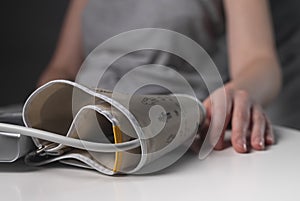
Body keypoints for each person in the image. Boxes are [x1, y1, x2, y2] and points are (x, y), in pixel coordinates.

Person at [37, 0, 282, 154]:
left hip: (171, 132)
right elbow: (63, 68)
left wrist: (238, 92)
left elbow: (259, 62)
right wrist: (42, 113)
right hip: (78, 132)